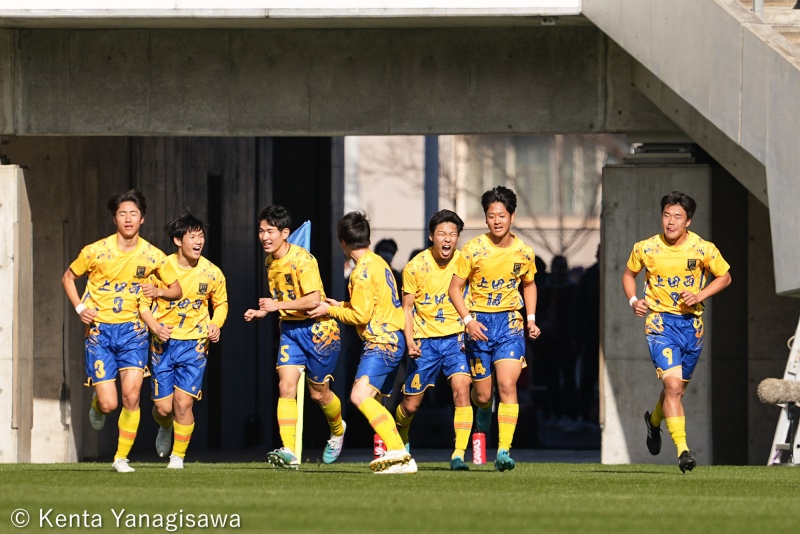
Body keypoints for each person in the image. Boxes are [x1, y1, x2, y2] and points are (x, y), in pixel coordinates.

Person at [61, 189, 182, 473]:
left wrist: (159, 290)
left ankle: (120, 458)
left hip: (135, 333)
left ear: (142, 219)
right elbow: (68, 277)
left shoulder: (153, 255)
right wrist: (80, 309)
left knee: (131, 396)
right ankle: (97, 402)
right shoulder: (95, 251)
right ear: (114, 218)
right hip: (100, 332)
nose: (128, 219)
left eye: (133, 214)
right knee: (109, 403)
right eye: (122, 214)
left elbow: (176, 289)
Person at [622, 191, 731, 473]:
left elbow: (725, 276)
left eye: (677, 217)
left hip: (691, 327)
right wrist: (635, 300)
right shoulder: (646, 248)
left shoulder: (702, 249)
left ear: (688, 221)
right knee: (671, 387)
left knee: (676, 391)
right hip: (660, 324)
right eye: (667, 215)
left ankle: (654, 422)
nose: (670, 222)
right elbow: (628, 274)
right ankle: (683, 451)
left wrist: (699, 294)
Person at [309, 211, 415, 475]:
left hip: (381, 343)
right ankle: (401, 455)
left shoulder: (361, 273)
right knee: (373, 401)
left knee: (358, 396)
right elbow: (368, 306)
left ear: (343, 243)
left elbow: (360, 315)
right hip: (393, 340)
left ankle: (398, 452)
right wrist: (338, 304)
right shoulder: (379, 263)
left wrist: (328, 310)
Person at [244, 205, 345, 469]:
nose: (265, 237)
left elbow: (313, 300)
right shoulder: (269, 261)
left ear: (285, 233)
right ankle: (288, 450)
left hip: (319, 330)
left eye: (270, 231)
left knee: (318, 394)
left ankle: (338, 429)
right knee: (285, 386)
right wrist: (262, 312)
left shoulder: (303, 260)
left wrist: (275, 307)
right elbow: (282, 300)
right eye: (261, 231)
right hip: (290, 330)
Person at [448, 185, 541, 471]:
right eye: (491, 216)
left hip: (510, 324)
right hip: (480, 325)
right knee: (484, 395)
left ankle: (503, 450)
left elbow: (529, 283)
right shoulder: (473, 250)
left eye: (502, 215)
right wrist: (468, 321)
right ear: (486, 219)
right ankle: (484, 409)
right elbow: (454, 289)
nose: (497, 221)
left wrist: (531, 319)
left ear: (512, 217)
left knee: (508, 384)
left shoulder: (525, 252)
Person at [138, 211, 228, 469]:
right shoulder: (160, 269)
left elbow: (221, 303)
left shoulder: (212, 272)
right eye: (193, 236)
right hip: (163, 343)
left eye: (201, 236)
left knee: (184, 402)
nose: (199, 242)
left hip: (195, 344)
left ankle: (178, 457)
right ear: (178, 241)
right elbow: (142, 304)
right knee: (164, 408)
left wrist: (215, 324)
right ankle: (165, 427)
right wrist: (155, 326)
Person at [394, 210, 472, 471]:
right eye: (442, 234)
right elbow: (406, 308)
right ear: (431, 236)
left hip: (456, 339)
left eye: (452, 234)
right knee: (410, 404)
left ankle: (459, 454)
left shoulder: (465, 262)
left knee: (462, 391)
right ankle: (400, 436)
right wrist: (409, 340)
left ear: (458, 237)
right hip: (424, 342)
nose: (447, 239)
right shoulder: (415, 266)